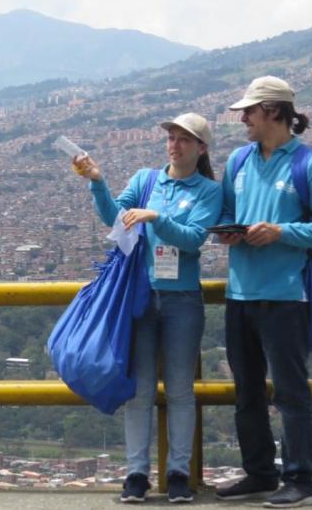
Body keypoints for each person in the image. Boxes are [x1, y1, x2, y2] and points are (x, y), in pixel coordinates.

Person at [72, 113, 222, 504]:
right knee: (138, 393)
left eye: (184, 140)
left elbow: (192, 240)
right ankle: (136, 473)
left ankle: (177, 473)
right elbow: (114, 218)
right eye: (171, 138)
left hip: (182, 300)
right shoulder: (145, 180)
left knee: (180, 391)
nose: (174, 145)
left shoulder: (208, 191)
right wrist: (98, 183)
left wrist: (158, 217)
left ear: (201, 148)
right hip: (140, 296)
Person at [214, 76, 312, 508]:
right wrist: (230, 233)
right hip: (240, 292)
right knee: (246, 390)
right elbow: (230, 212)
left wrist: (281, 232)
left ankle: (301, 480)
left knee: (290, 392)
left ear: (272, 111)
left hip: (287, 295)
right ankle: (259, 473)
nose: (243, 119)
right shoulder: (238, 161)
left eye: (248, 111)